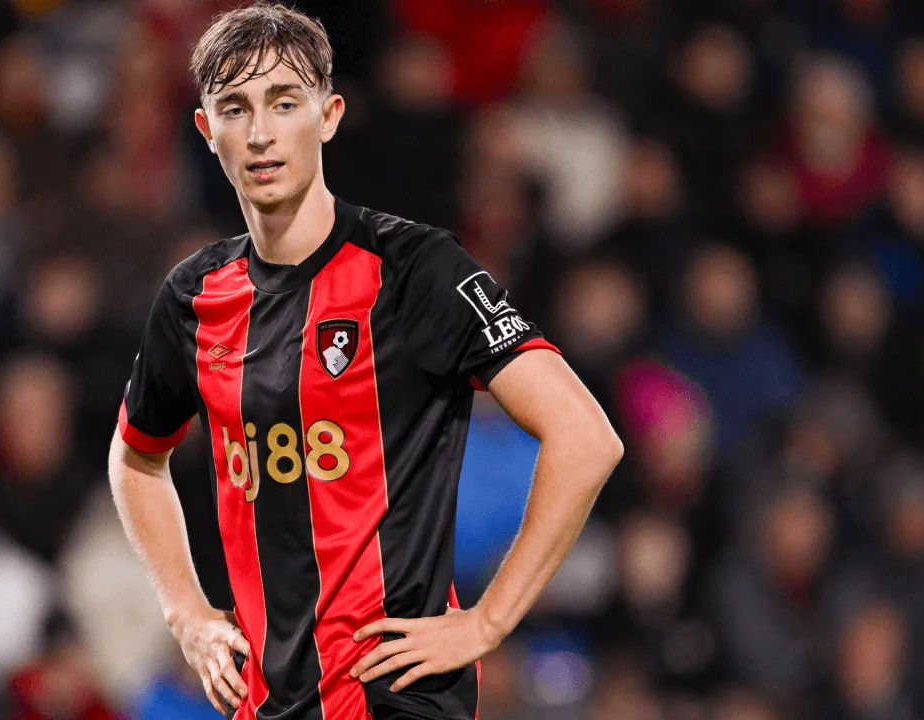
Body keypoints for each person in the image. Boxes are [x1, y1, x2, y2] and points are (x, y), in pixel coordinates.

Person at [107, 4, 622, 719]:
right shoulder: (194, 296)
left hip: (398, 698)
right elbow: (136, 457)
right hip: (267, 701)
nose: (260, 133)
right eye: (235, 108)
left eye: (284, 103)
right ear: (206, 130)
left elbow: (587, 436)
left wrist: (488, 621)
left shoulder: (416, 270)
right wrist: (185, 612)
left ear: (329, 115)